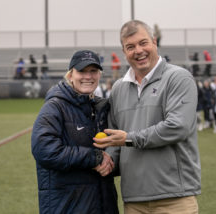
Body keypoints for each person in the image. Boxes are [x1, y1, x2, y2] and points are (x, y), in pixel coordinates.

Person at [93, 20, 200, 214]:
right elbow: (116, 138)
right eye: (130, 47)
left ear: (154, 42)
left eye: (143, 43)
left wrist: (129, 139)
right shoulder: (118, 88)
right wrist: (108, 159)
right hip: (134, 199)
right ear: (124, 52)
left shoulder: (178, 78)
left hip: (174, 197)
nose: (138, 51)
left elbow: (178, 127)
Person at [31, 50, 119, 214]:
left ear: (99, 75)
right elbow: (44, 150)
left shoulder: (100, 108)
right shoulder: (55, 107)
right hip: (68, 207)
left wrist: (110, 163)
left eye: (93, 71)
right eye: (82, 71)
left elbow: (114, 149)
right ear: (70, 75)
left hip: (102, 205)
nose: (88, 76)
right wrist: (94, 158)